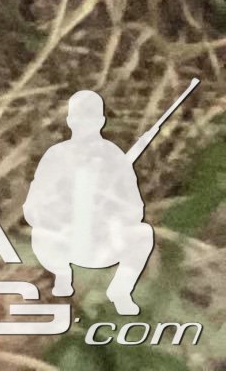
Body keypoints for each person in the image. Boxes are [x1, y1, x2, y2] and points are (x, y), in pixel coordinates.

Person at [25, 88, 157, 314]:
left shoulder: (114, 157)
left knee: (143, 234)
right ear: (70, 120)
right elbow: (32, 206)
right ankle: (62, 280)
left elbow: (135, 207)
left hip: (104, 240)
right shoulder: (56, 156)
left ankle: (120, 291)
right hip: (65, 240)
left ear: (101, 121)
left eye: (91, 118)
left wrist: (112, 213)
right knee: (39, 235)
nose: (85, 124)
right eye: (79, 117)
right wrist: (61, 214)